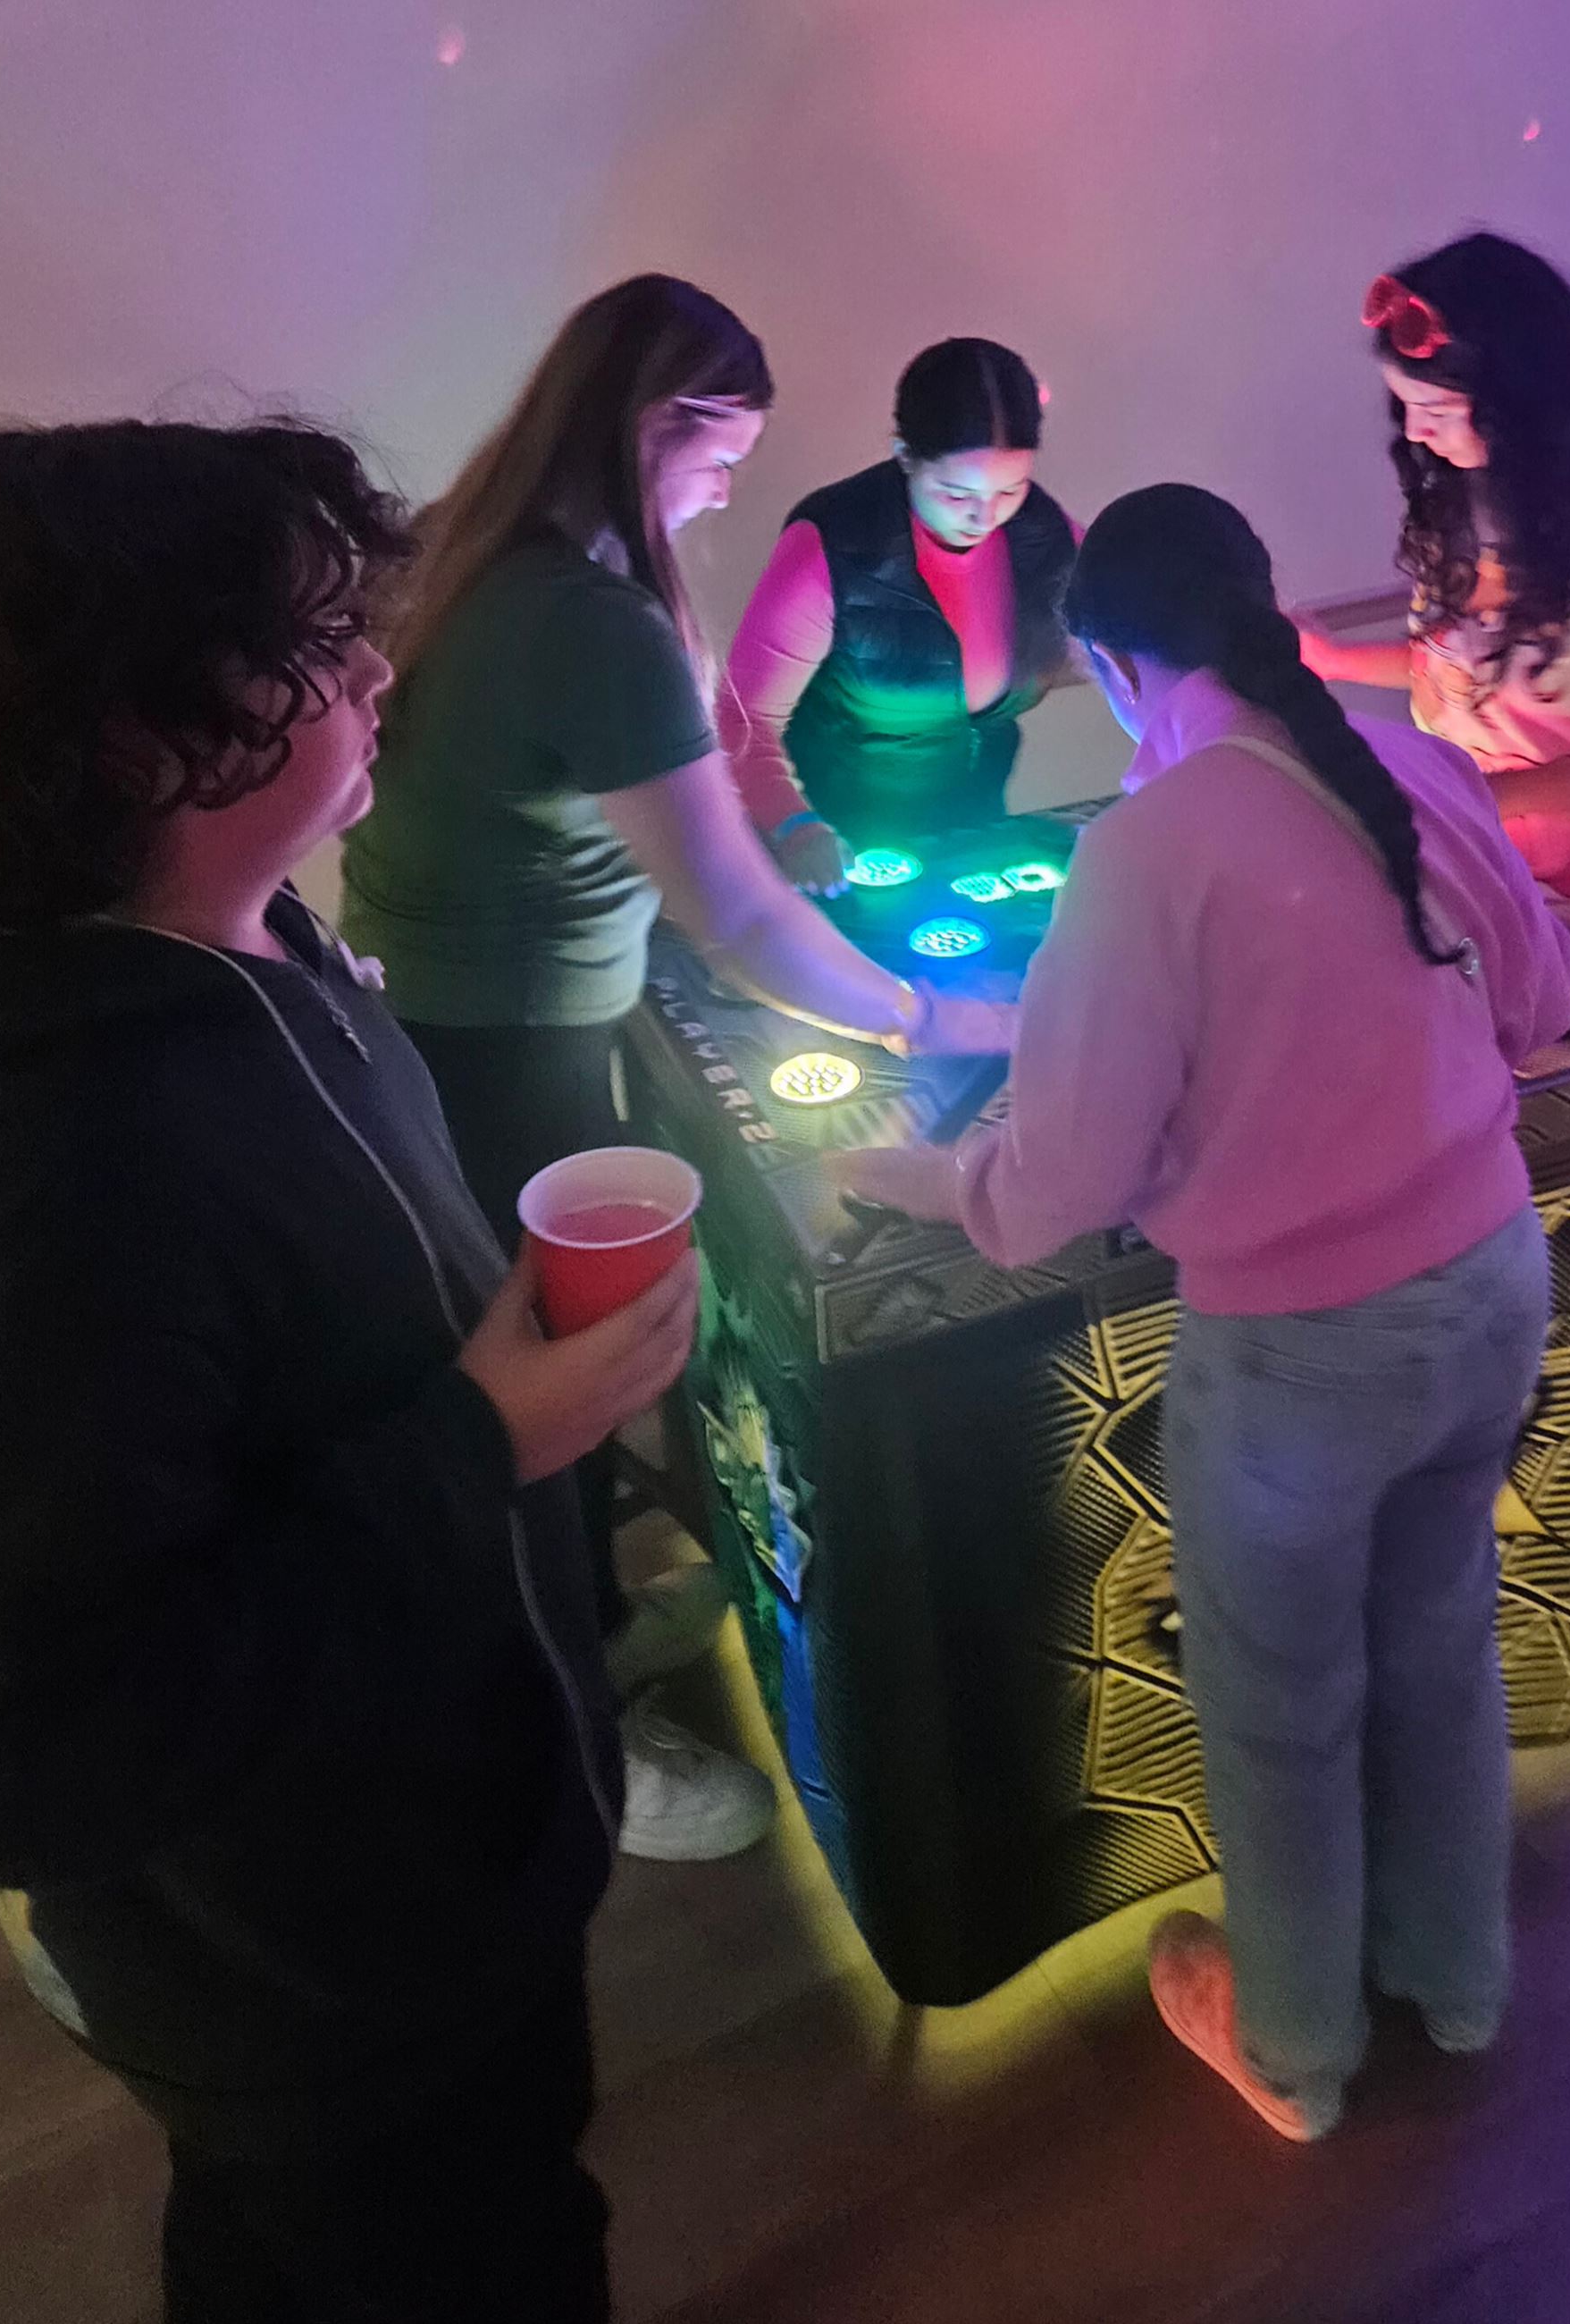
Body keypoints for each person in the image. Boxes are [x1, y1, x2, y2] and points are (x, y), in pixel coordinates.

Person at [0, 417, 697, 2317]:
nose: (367, 675)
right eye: (302, 648)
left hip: (424, 1879)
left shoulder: (250, 944)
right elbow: (27, 1753)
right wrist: (483, 1435)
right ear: (125, 734)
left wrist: (469, 1349)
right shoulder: (64, 1162)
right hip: (321, 1973)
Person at [834, 484, 1570, 2142]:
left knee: (1279, 1704)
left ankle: (1298, 2053)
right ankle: (1457, 1983)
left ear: (1105, 666)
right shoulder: (1404, 763)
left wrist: (917, 1178)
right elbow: (1529, 1005)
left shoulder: (1145, 847)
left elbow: (1053, 1188)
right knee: (1437, 1633)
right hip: (1492, 1286)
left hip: (1301, 1359)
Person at [342, 276, 1005, 1862]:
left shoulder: (469, 546)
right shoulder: (591, 621)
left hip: (440, 1035)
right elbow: (741, 919)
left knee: (525, 1371)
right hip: (514, 1058)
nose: (722, 496)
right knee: (550, 1391)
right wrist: (934, 1017)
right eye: (719, 462)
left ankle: (579, 1635)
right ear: (658, 426)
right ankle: (575, 1743)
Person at [1299, 234, 1570, 1476]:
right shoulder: (1470, 494)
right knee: (1498, 1155)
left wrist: (1472, 805)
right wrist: (1339, 664)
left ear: (1519, 392)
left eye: (1440, 411)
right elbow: (1470, 665)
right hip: (1503, 892)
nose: (1424, 437)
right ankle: (1525, 1371)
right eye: (1407, 414)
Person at [724, 337, 1080, 891]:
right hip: (844, 854)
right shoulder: (833, 548)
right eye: (955, 491)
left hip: (975, 838)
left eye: (1011, 489)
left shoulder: (1042, 534)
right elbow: (743, 719)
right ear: (904, 455)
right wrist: (794, 826)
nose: (985, 515)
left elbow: (1139, 642)